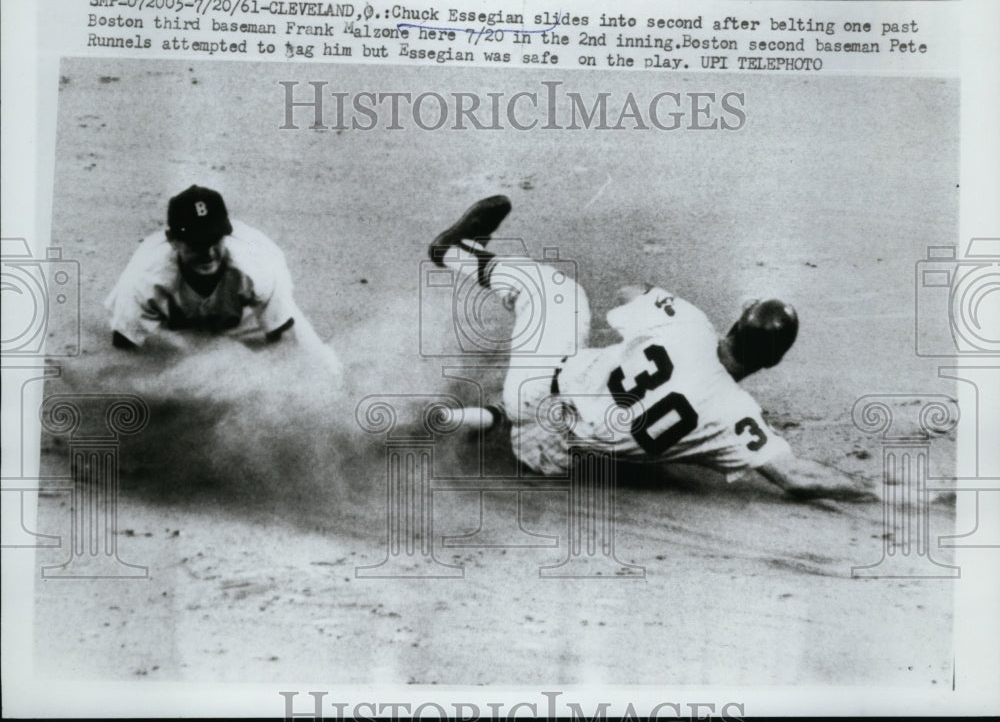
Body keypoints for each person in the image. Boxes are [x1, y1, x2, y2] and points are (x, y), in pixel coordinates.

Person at [428, 195, 875, 502]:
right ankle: (490, 419)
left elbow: (628, 292)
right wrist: (878, 490)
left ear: (736, 324)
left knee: (557, 292)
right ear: (773, 361)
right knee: (593, 406)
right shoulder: (736, 416)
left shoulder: (689, 325)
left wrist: (664, 310)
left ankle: (454, 254)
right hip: (548, 456)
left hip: (533, 391)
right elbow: (796, 477)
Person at [105, 185, 340, 374]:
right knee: (178, 391)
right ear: (172, 240)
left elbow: (283, 338)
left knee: (324, 371)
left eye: (214, 240)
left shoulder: (258, 267)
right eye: (196, 243)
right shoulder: (144, 277)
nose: (208, 253)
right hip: (176, 327)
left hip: (247, 318)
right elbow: (124, 346)